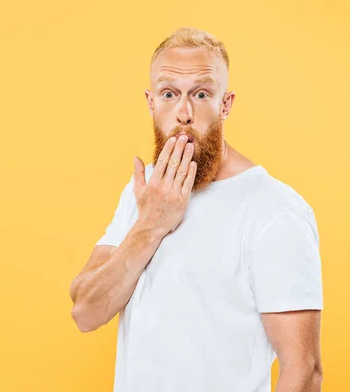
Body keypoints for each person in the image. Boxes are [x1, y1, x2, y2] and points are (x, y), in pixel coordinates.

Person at [69, 27, 324, 392]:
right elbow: (86, 312)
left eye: (201, 94)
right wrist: (151, 225)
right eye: (169, 94)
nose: (183, 112)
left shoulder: (275, 211)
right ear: (151, 102)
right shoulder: (144, 191)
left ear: (225, 104)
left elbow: (304, 373)